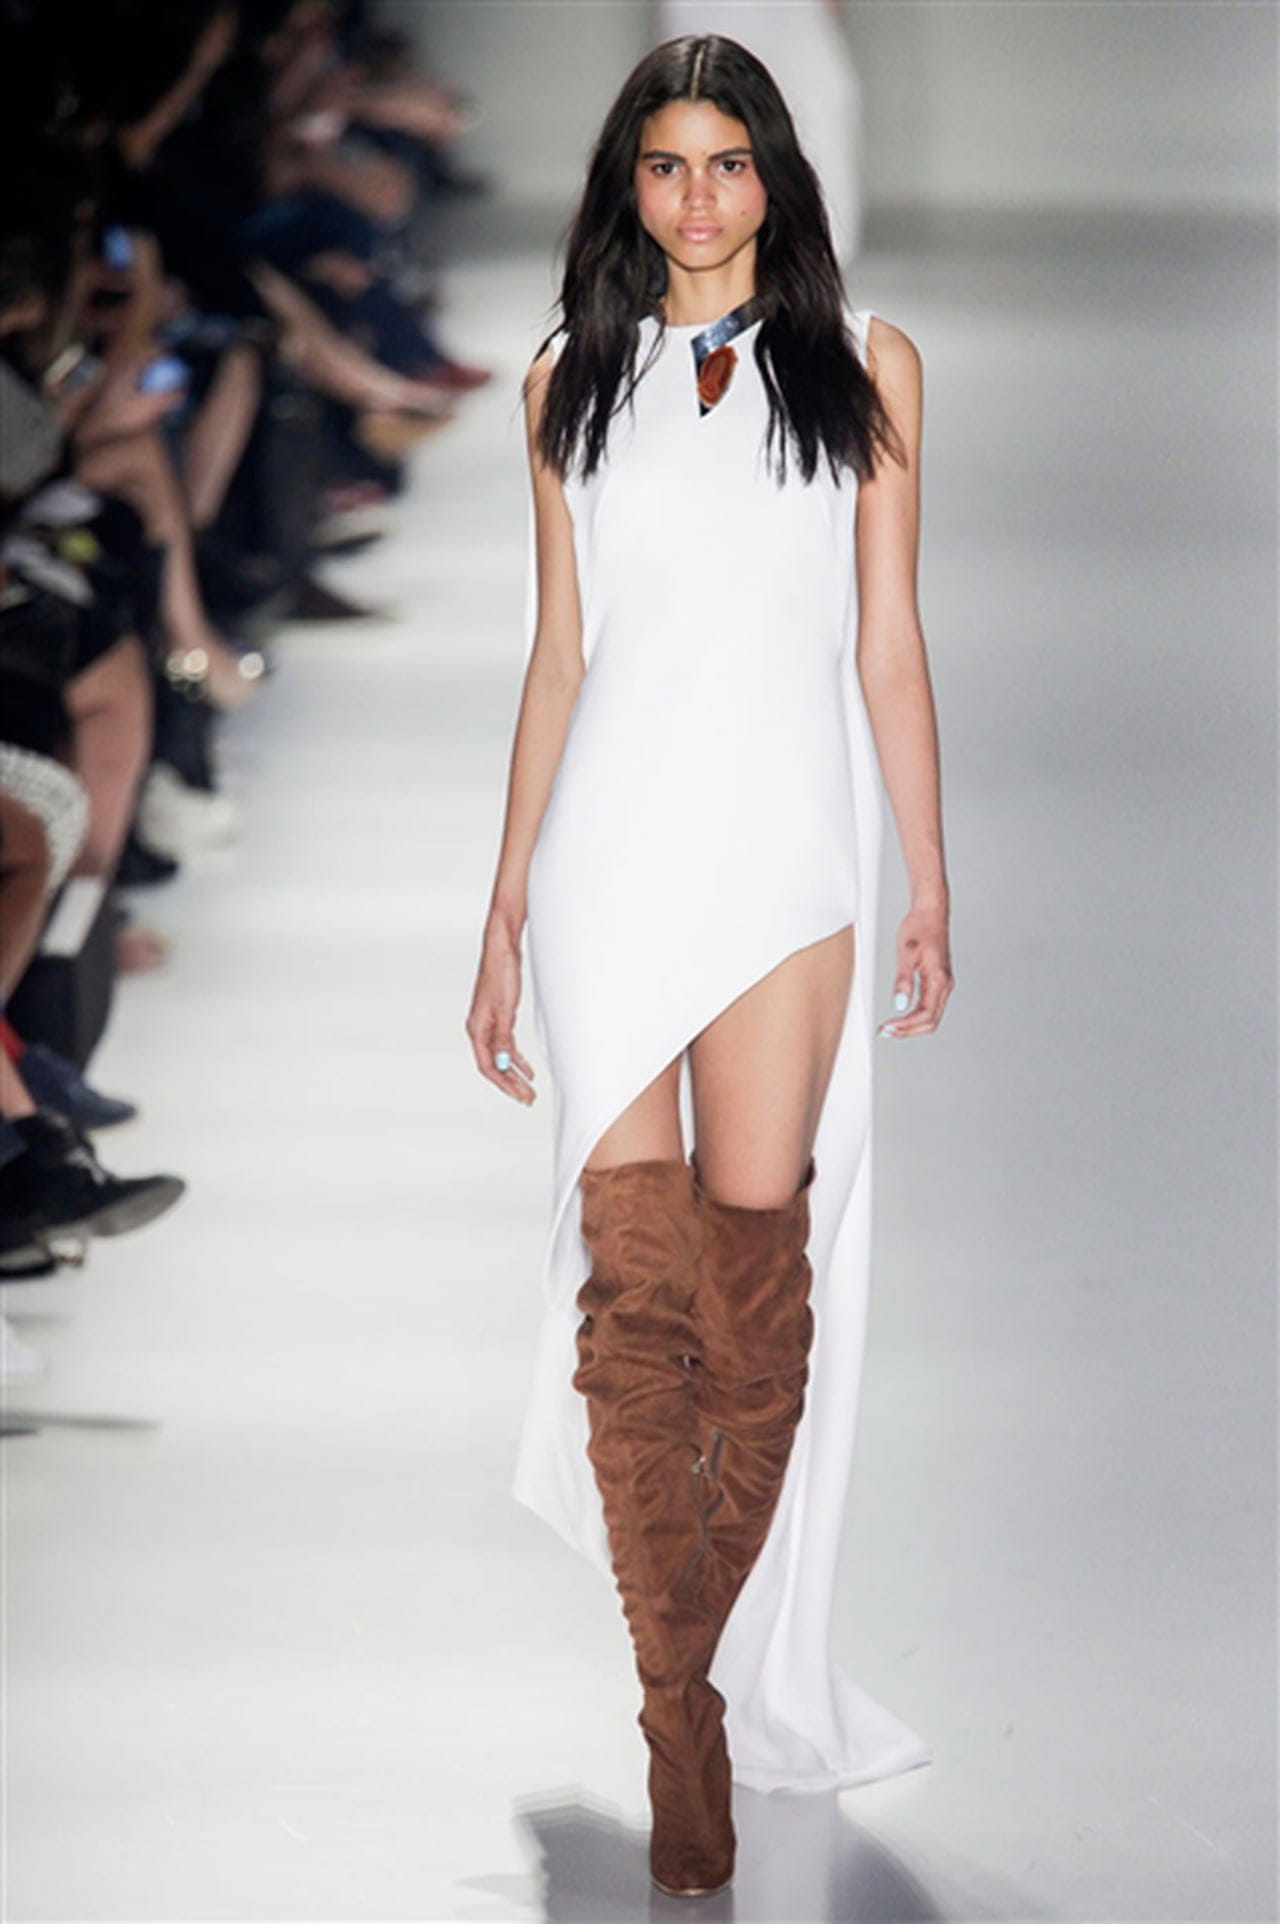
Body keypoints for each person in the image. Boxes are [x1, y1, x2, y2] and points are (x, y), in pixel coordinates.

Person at [466, 35, 953, 1901]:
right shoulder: (566, 386)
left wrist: (927, 879)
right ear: (628, 185)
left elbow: (888, 643)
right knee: (634, 1295)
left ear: (776, 179)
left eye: (728, 163)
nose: (696, 197)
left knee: (753, 1293)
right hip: (609, 856)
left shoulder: (870, 369)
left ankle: (698, 1677)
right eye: (666, 165)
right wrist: (504, 903)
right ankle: (683, 1716)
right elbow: (559, 658)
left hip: (786, 858)